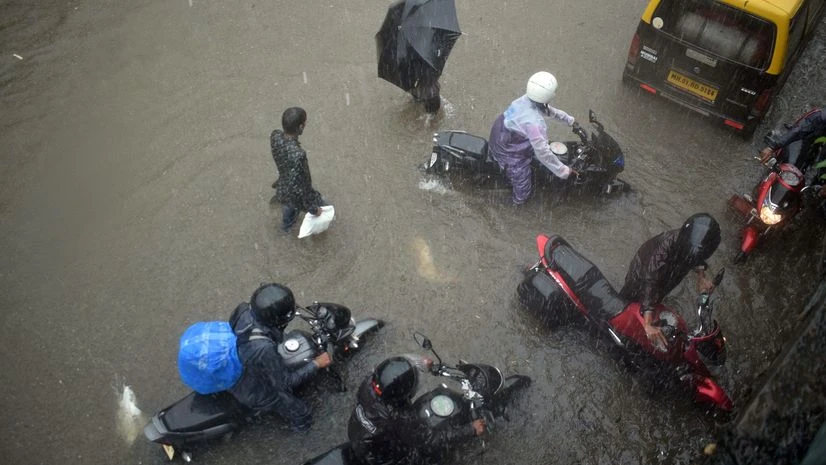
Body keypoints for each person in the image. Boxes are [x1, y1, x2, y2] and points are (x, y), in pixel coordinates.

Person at [228, 283, 332, 432]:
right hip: (253, 389)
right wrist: (316, 363)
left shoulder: (245, 309)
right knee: (301, 412)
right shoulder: (264, 349)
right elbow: (285, 383)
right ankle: (302, 430)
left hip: (240, 360)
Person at [348, 356, 485, 465]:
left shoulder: (370, 383)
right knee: (427, 453)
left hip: (358, 436)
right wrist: (470, 430)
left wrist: (418, 362)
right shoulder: (399, 418)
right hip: (379, 458)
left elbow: (392, 370)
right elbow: (431, 440)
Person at [619, 214, 721, 351]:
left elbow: (696, 259)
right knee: (628, 306)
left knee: (657, 300)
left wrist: (701, 277)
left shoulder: (691, 245)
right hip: (641, 278)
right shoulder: (659, 255)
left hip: (666, 278)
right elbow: (650, 284)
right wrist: (647, 325)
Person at [489, 71, 579, 205]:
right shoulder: (535, 124)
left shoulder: (526, 99)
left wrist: (569, 120)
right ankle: (517, 202)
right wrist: (564, 171)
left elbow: (548, 110)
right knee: (523, 184)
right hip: (508, 150)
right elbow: (543, 154)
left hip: (502, 134)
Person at [271, 107, 324, 232]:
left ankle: (284, 230)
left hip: (282, 187)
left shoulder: (275, 136)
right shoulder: (299, 155)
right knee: (323, 207)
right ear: (300, 128)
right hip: (292, 197)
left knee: (287, 218)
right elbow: (302, 188)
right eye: (304, 123)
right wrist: (314, 209)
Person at [758, 108, 826, 170]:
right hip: (806, 141)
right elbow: (799, 130)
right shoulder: (820, 118)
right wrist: (772, 147)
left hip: (817, 149)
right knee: (791, 166)